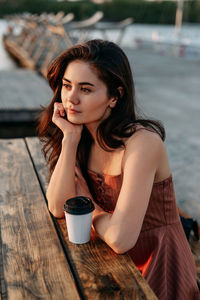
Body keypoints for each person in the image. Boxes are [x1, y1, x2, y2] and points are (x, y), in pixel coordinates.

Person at [38, 39, 200, 299]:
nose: (71, 98)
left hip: (158, 265)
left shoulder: (142, 143)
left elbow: (121, 239)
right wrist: (69, 139)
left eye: (86, 89)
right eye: (67, 86)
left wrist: (89, 204)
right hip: (111, 263)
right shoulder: (82, 138)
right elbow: (57, 207)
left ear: (115, 96)